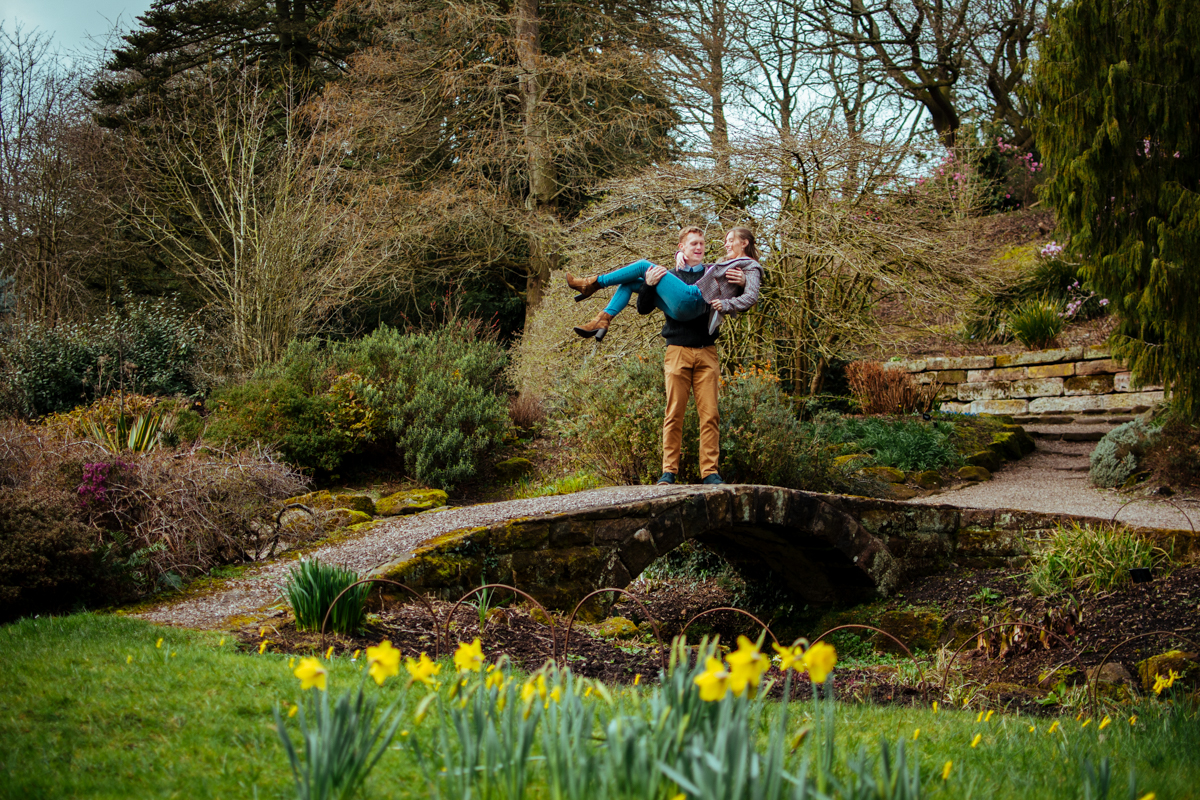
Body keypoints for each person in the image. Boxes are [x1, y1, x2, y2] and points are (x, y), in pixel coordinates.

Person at [636, 227, 758, 485]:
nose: (699, 247)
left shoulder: (713, 274)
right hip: (677, 351)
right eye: (693, 243)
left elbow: (744, 286)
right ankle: (668, 471)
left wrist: (746, 282)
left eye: (702, 243)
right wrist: (648, 285)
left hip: (707, 353)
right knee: (673, 414)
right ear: (681, 247)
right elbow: (643, 308)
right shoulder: (667, 276)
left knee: (710, 415)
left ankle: (710, 472)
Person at [566, 227, 763, 341]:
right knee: (630, 283)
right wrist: (680, 255)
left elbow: (752, 296)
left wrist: (730, 300)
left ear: (744, 243)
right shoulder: (725, 262)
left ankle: (593, 283)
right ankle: (603, 320)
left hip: (694, 299)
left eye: (730, 240)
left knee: (644, 265)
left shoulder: (751, 266)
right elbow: (710, 268)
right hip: (682, 309)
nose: (726, 244)